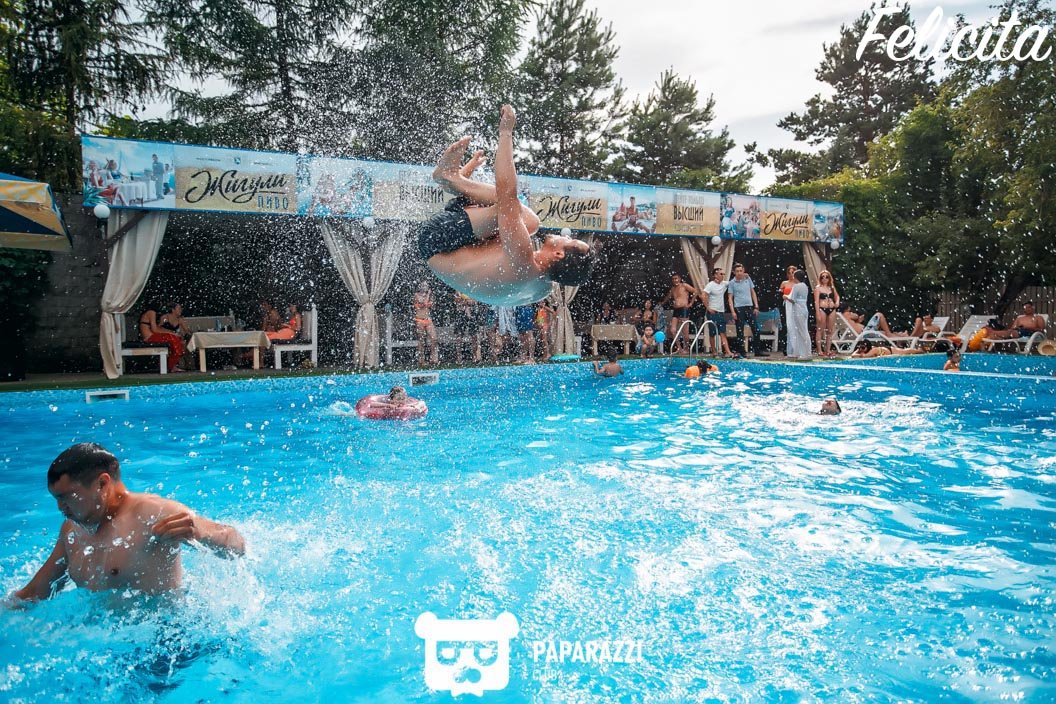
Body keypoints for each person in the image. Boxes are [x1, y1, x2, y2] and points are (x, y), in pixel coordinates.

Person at [8, 443, 244, 603]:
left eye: (67, 497)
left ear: (102, 483)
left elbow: (237, 545)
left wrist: (200, 531)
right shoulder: (72, 530)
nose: (61, 507)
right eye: (56, 499)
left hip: (163, 646)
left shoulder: (154, 513)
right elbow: (35, 592)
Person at [419, 105, 596, 306]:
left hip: (437, 240)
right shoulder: (541, 290)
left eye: (569, 241)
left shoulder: (522, 261)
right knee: (521, 223)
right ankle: (456, 181)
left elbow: (507, 194)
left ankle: (452, 179)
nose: (566, 236)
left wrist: (506, 132)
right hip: (447, 253)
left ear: (559, 254)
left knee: (517, 213)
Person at [726, 262, 767, 357]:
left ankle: (757, 350)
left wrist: (756, 306)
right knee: (740, 330)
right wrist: (733, 311)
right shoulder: (732, 283)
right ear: (734, 272)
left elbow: (753, 292)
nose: (739, 273)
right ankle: (742, 351)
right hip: (739, 308)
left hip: (749, 306)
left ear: (743, 271)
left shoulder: (747, 279)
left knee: (755, 329)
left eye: (741, 271)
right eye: (737, 271)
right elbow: (730, 298)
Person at [139, 304, 185, 373]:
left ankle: (173, 364)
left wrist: (171, 332)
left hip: (151, 336)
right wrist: (171, 333)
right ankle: (171, 365)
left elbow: (158, 328)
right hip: (149, 337)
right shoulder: (151, 312)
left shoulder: (151, 312)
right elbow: (155, 329)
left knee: (175, 338)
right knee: (173, 338)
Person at [660, 273, 697, 354]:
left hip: (684, 309)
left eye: (676, 278)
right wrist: (662, 303)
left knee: (685, 331)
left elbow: (695, 291)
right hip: (676, 310)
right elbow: (668, 297)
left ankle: (686, 349)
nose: (675, 280)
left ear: (679, 279)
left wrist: (691, 303)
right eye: (673, 279)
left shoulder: (684, 285)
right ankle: (679, 348)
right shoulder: (673, 289)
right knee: (672, 330)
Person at [701, 267, 733, 357]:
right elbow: (703, 295)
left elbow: (734, 282)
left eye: (723, 274)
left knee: (723, 332)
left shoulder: (724, 284)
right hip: (712, 312)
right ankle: (714, 351)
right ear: (715, 275)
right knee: (712, 333)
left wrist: (744, 276)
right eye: (721, 274)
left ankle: (728, 351)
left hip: (721, 312)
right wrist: (708, 308)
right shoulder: (710, 285)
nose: (723, 276)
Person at [983, 301, 1047, 341]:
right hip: (1017, 332)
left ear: (1033, 308)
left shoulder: (1038, 317)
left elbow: (1041, 330)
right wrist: (1014, 329)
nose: (1027, 309)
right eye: (1025, 308)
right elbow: (1012, 328)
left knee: (1011, 332)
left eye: (1028, 307)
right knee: (992, 322)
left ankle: (992, 332)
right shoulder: (1020, 318)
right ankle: (994, 334)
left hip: (1029, 333)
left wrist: (1027, 327)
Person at [784, 270, 812, 359]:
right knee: (802, 330)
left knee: (801, 331)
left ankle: (805, 353)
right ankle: (802, 351)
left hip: (798, 309)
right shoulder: (805, 286)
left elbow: (793, 299)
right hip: (804, 309)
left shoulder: (796, 286)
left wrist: (786, 297)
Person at [813, 270, 840, 356]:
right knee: (820, 329)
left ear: (829, 278)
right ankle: (819, 350)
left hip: (831, 308)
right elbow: (816, 302)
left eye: (826, 277)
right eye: (822, 277)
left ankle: (828, 350)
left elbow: (837, 296)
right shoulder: (818, 288)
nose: (824, 278)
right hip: (822, 308)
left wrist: (837, 302)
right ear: (820, 278)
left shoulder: (831, 287)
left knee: (830, 330)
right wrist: (817, 312)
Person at [413, 281, 439, 366]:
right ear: (420, 286)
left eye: (426, 285)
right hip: (419, 320)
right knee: (421, 341)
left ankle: (433, 358)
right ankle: (421, 360)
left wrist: (430, 298)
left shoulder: (430, 296)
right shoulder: (416, 295)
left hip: (428, 319)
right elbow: (423, 304)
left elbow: (432, 306)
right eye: (423, 285)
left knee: (434, 338)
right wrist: (428, 295)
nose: (425, 287)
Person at [453, 293, 483, 364]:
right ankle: (459, 357)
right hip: (461, 313)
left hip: (472, 313)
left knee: (474, 336)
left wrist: (466, 302)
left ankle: (474, 356)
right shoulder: (459, 289)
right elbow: (456, 300)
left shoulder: (472, 289)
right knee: (459, 336)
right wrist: (466, 302)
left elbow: (475, 301)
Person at [779, 264, 799, 353]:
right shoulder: (784, 283)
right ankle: (785, 347)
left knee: (795, 326)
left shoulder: (797, 284)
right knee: (786, 325)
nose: (791, 275)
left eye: (793, 273)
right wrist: (783, 294)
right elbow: (780, 294)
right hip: (785, 305)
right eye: (789, 273)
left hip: (795, 306)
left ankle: (795, 347)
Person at [851, 339, 926, 357]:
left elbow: (855, 356)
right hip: (885, 350)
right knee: (904, 351)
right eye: (859, 348)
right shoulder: (866, 349)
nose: (860, 349)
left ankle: (919, 350)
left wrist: (857, 352)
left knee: (904, 352)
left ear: (867, 347)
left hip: (890, 350)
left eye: (863, 348)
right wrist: (859, 349)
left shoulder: (872, 350)